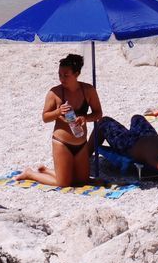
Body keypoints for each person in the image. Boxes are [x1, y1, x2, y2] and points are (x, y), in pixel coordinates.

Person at [15, 53, 103, 188]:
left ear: (77, 74)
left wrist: (85, 118)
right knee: (64, 183)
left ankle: (47, 171)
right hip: (62, 143)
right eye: (60, 75)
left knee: (81, 182)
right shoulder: (55, 93)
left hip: (81, 143)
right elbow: (45, 117)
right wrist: (57, 112)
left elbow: (98, 114)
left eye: (66, 75)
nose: (62, 79)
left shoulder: (88, 90)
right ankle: (30, 174)